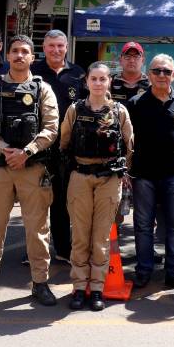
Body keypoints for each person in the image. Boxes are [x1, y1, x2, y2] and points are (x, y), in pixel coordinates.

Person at [0, 34, 60, 306]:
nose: (20, 55)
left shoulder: (42, 88)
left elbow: (51, 128)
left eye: (25, 51)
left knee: (37, 229)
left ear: (32, 57)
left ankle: (40, 283)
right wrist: (4, 149)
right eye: (15, 51)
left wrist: (27, 152)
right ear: (8, 55)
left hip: (32, 167)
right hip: (0, 167)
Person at [126, 54, 174, 292]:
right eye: (157, 71)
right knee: (143, 226)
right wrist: (125, 171)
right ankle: (144, 271)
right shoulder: (135, 103)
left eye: (167, 71)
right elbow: (127, 140)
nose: (162, 75)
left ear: (173, 75)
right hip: (143, 175)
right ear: (149, 74)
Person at [60, 62, 134, 310]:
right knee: (80, 236)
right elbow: (64, 141)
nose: (98, 83)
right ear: (86, 82)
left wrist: (123, 172)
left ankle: (98, 289)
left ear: (109, 82)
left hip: (109, 179)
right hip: (80, 176)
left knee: (101, 237)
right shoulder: (75, 110)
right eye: (94, 79)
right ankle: (79, 287)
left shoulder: (119, 111)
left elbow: (129, 144)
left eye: (103, 79)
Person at [30, 29, 86, 263]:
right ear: (44, 48)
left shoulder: (78, 73)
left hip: (66, 149)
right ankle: (34, 251)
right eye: (51, 46)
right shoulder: (33, 71)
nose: (56, 50)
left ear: (66, 48)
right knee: (36, 202)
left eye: (60, 46)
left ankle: (63, 249)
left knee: (62, 201)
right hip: (37, 146)